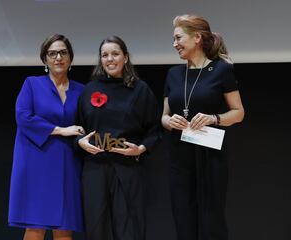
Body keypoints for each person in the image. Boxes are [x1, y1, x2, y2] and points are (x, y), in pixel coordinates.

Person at [161, 14, 245, 240]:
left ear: (197, 37)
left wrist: (214, 118)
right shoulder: (173, 74)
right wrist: (169, 122)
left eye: (178, 37)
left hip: (210, 156)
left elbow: (238, 113)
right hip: (180, 156)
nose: (174, 44)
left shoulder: (221, 70)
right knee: (183, 217)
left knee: (211, 219)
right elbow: (164, 116)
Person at [76, 36, 161, 240]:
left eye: (115, 54)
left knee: (129, 229)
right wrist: (80, 142)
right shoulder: (89, 90)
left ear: (125, 57)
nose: (110, 59)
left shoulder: (140, 90)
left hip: (128, 167)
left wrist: (140, 149)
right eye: (105, 55)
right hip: (95, 168)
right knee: (96, 228)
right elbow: (79, 129)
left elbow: (155, 130)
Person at [8, 34, 85, 240]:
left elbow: (86, 125)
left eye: (63, 52)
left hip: (67, 162)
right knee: (35, 227)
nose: (58, 57)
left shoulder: (82, 91)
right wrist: (61, 130)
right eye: (52, 53)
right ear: (45, 59)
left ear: (70, 58)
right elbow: (23, 117)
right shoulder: (32, 84)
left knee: (64, 227)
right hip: (36, 160)